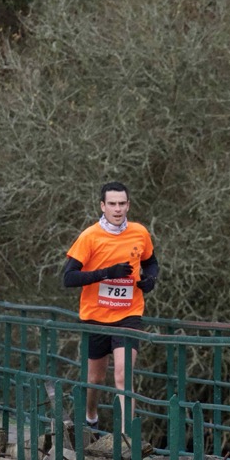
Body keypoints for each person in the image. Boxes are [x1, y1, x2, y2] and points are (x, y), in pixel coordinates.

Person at [62, 181, 158, 430]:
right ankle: (91, 417)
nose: (117, 209)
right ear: (102, 206)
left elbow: (151, 262)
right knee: (95, 378)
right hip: (95, 317)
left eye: (122, 204)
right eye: (112, 204)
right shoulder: (89, 236)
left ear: (129, 205)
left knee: (123, 376)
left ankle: (127, 439)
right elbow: (68, 278)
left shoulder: (139, 233)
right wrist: (106, 273)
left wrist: (150, 279)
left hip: (129, 314)